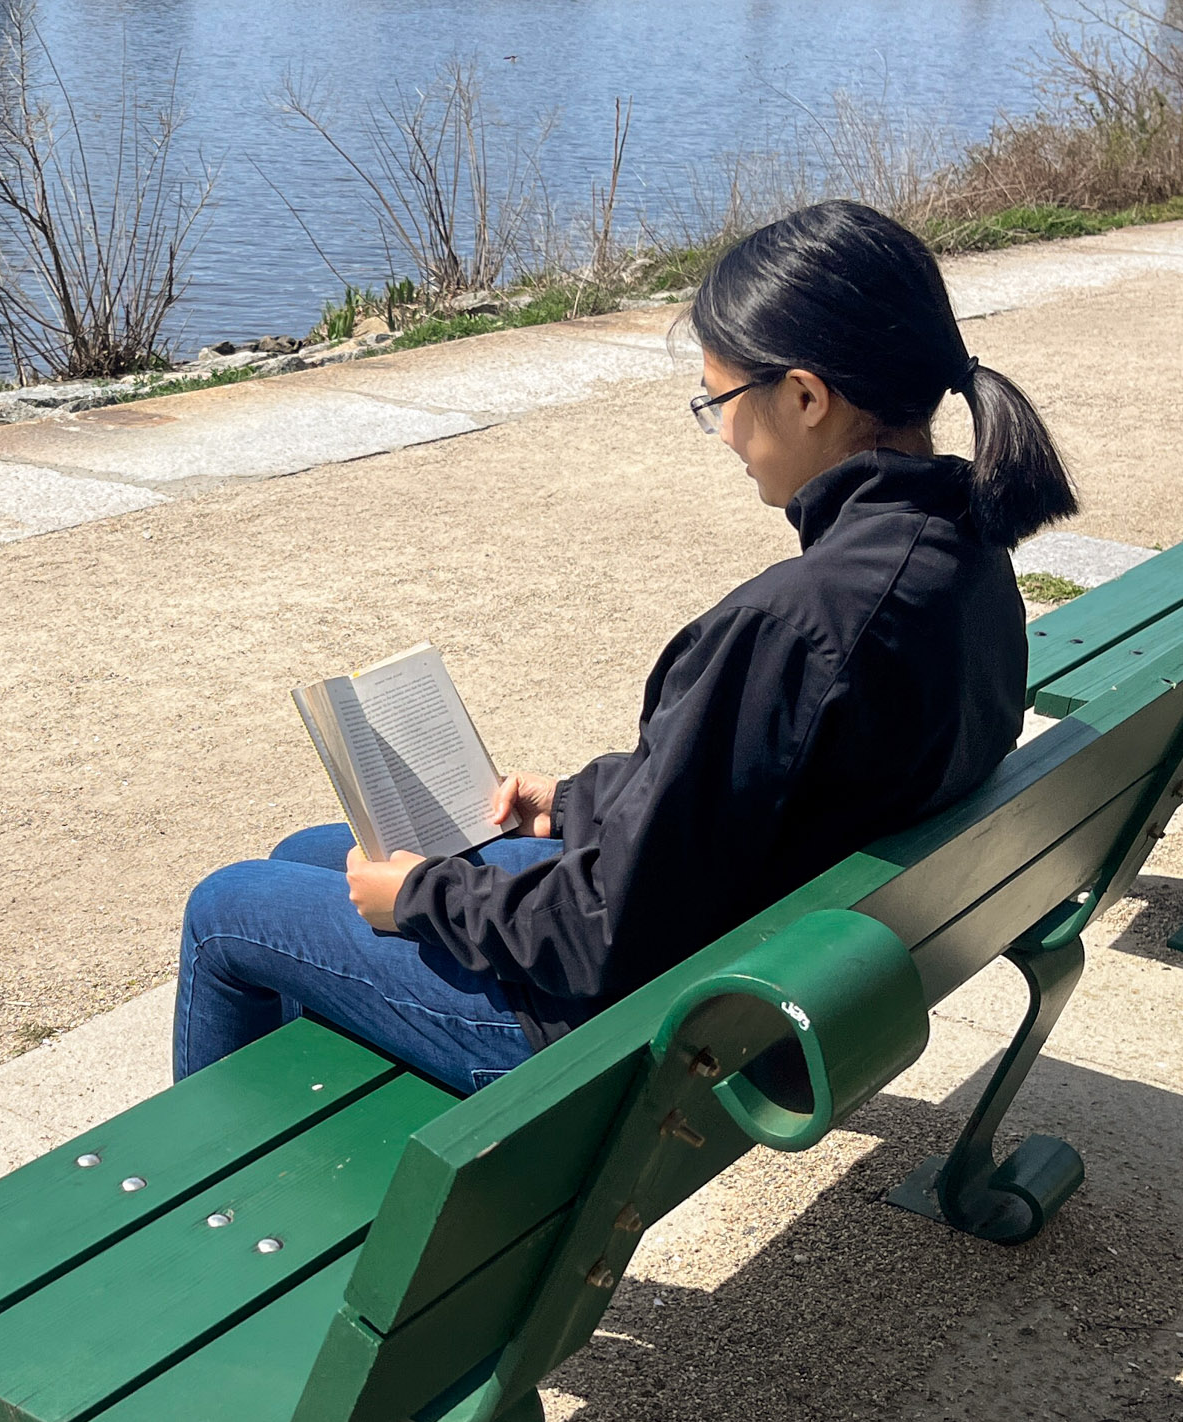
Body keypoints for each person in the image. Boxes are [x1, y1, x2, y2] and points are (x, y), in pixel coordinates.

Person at [172, 199, 1083, 1094]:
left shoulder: (792, 625)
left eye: (720, 399)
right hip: (766, 950)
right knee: (308, 854)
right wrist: (571, 802)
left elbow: (604, 929)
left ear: (805, 396)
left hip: (635, 1033)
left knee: (227, 909)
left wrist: (422, 901)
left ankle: (206, 1216)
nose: (722, 431)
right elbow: (749, 788)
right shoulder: (961, 543)